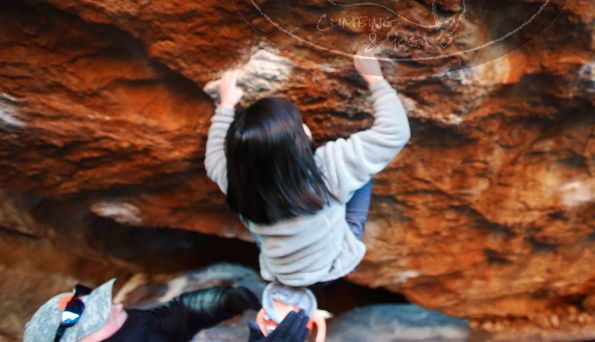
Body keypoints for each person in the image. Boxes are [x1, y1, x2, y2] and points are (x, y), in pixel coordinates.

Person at [204, 47, 411, 330]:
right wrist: (375, 79)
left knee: (259, 209)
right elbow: (395, 132)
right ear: (298, 144)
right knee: (359, 174)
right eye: (300, 128)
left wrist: (225, 106)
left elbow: (214, 157)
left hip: (284, 270)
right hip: (337, 261)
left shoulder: (235, 179)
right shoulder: (328, 168)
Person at [22, 278, 261, 342]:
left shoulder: (129, 327)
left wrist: (230, 299)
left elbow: (182, 315)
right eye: (100, 313)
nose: (116, 305)